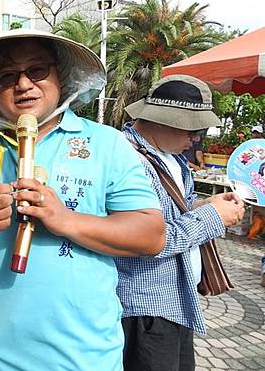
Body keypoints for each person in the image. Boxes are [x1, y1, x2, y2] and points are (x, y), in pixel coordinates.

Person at [0, 29, 165, 370]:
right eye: (6, 75)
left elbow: (151, 235)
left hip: (89, 358)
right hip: (0, 360)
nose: (23, 84)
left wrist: (66, 220)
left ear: (62, 75)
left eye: (37, 70)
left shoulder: (107, 143)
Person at [117, 75, 245, 371]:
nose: (197, 140)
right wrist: (213, 217)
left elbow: (173, 212)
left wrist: (205, 205)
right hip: (146, 306)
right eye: (195, 130)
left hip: (175, 300)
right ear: (165, 120)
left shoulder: (169, 156)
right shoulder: (128, 162)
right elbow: (148, 239)